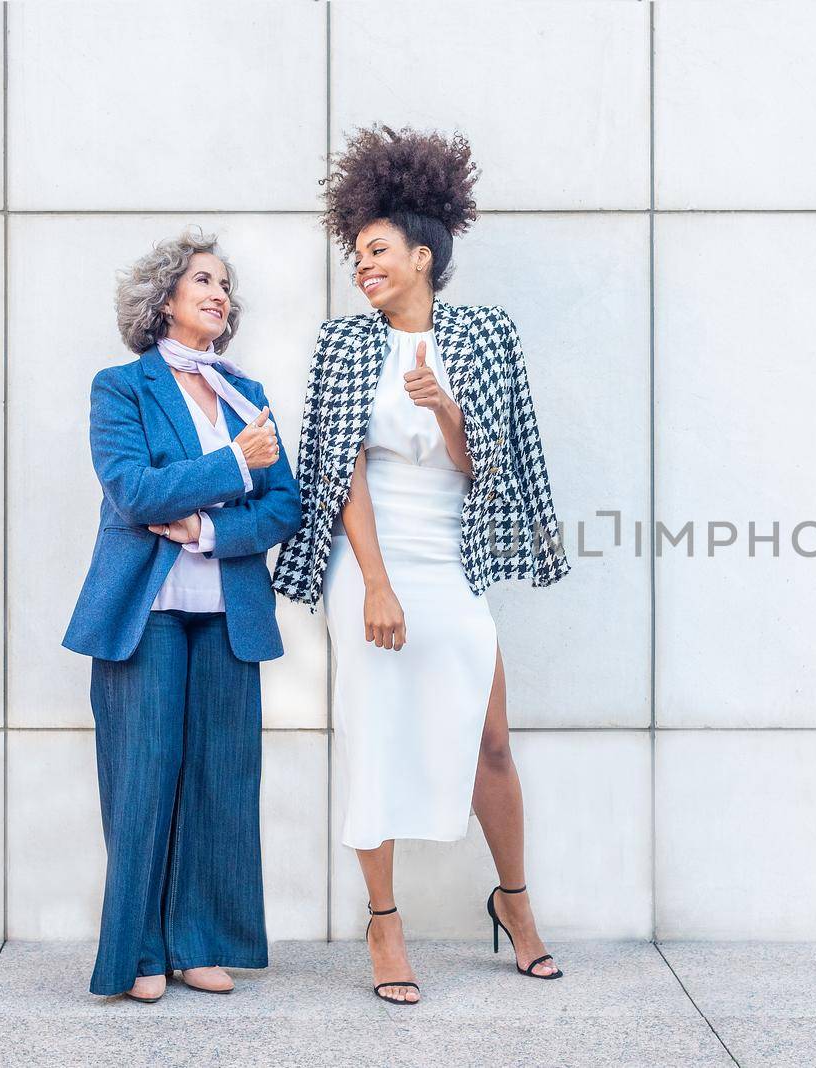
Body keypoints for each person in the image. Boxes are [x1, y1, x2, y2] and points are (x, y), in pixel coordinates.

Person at [273, 124, 572, 1003]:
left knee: (491, 740)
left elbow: (496, 467)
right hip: (371, 558)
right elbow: (337, 469)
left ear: (423, 255)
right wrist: (373, 582)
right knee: (374, 735)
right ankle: (384, 921)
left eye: (377, 252)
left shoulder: (485, 336)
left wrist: (446, 409)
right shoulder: (343, 345)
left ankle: (514, 904)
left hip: (453, 558)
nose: (363, 267)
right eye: (356, 254)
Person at [63, 226, 301, 1002]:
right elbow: (134, 491)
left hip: (228, 611)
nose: (218, 294)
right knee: (144, 780)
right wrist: (233, 467)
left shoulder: (246, 393)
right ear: (164, 297)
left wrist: (206, 527)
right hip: (148, 610)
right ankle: (139, 951)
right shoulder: (121, 387)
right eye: (203, 280)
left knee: (219, 781)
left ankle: (198, 941)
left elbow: (283, 507)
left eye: (225, 285)